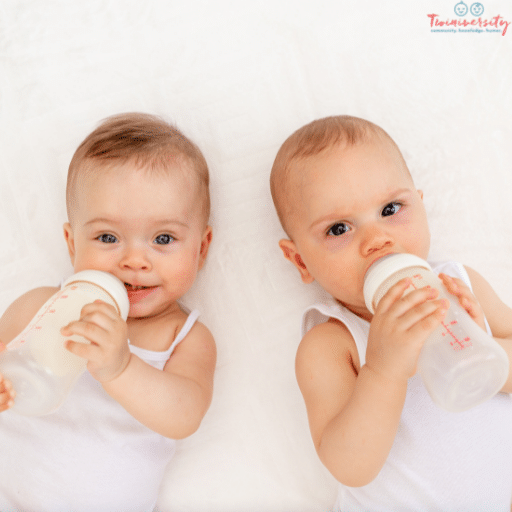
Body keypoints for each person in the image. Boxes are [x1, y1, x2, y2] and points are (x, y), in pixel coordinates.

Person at [270, 115, 512, 510]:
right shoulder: (331, 342)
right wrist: (383, 370)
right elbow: (350, 467)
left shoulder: (461, 285)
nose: (376, 239)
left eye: (391, 208)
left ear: (419, 203)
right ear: (300, 261)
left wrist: (482, 341)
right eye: (338, 229)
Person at [0, 113, 216, 512]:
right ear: (71, 242)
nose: (134, 260)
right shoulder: (41, 306)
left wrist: (121, 368)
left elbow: (184, 416)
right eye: (107, 237)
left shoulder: (184, 337)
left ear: (201, 249)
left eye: (163, 238)